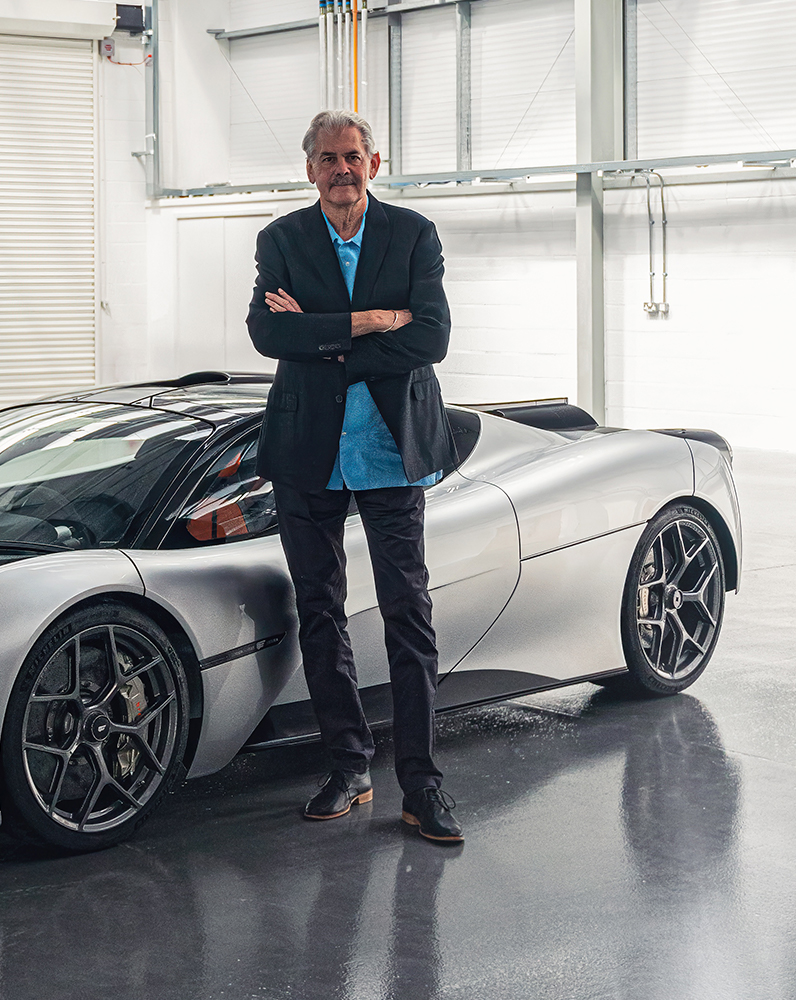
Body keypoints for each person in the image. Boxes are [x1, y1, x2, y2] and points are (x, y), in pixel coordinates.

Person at [246, 109, 463, 843]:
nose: (341, 169)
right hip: (308, 453)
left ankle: (422, 784)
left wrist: (324, 337)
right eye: (328, 158)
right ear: (310, 169)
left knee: (408, 610)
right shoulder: (281, 240)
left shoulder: (413, 234)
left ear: (375, 164)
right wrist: (370, 322)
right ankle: (347, 766)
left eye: (353, 157)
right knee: (319, 610)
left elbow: (430, 336)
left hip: (387, 451)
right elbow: (267, 333)